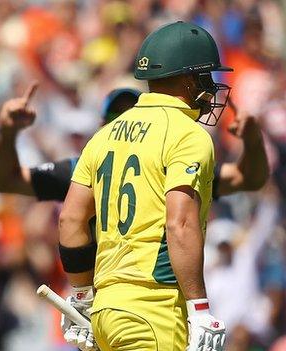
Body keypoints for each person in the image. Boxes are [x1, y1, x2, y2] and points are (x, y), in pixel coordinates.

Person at [59, 21, 242, 351]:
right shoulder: (189, 135)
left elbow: (70, 220)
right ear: (189, 79)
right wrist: (199, 309)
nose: (212, 87)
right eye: (207, 77)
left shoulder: (103, 135)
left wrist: (82, 296)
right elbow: (180, 223)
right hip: (154, 312)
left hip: (106, 311)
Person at [0, 86, 267, 203]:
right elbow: (6, 181)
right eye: (116, 116)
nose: (126, 123)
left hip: (161, 304)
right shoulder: (82, 173)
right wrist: (7, 132)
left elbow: (248, 179)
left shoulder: (177, 168)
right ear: (100, 127)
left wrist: (253, 141)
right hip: (101, 306)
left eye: (135, 114)